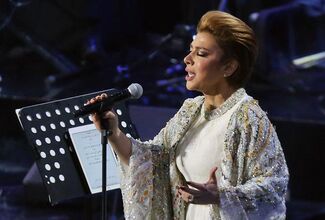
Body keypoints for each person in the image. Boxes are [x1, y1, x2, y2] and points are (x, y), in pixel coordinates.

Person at [88, 10, 289, 220]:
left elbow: (272, 189)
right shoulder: (191, 110)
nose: (187, 59)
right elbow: (152, 163)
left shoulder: (249, 118)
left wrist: (221, 196)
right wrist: (113, 132)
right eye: (190, 50)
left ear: (229, 67)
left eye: (201, 54)